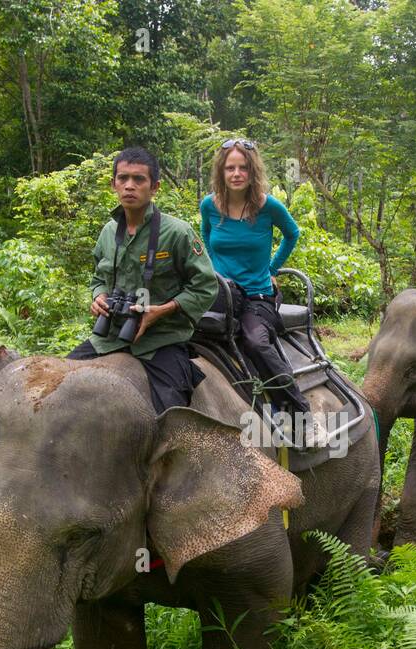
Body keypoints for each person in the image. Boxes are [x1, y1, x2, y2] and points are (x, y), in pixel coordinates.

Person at [68, 146, 218, 414]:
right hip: (110, 336)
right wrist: (98, 297)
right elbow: (98, 278)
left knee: (170, 414)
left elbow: (205, 286)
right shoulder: (108, 231)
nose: (129, 186)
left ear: (154, 186)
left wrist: (161, 311)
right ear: (113, 183)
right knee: (60, 388)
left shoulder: (177, 232)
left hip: (161, 340)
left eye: (139, 179)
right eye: (123, 178)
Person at [200, 137, 326, 446]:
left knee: (256, 342)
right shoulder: (209, 205)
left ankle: (303, 416)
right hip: (221, 296)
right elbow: (206, 237)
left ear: (252, 172)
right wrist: (215, 273)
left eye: (243, 167)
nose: (237, 173)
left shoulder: (267, 206)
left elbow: (292, 233)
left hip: (257, 296)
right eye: (230, 168)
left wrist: (270, 269)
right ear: (221, 171)